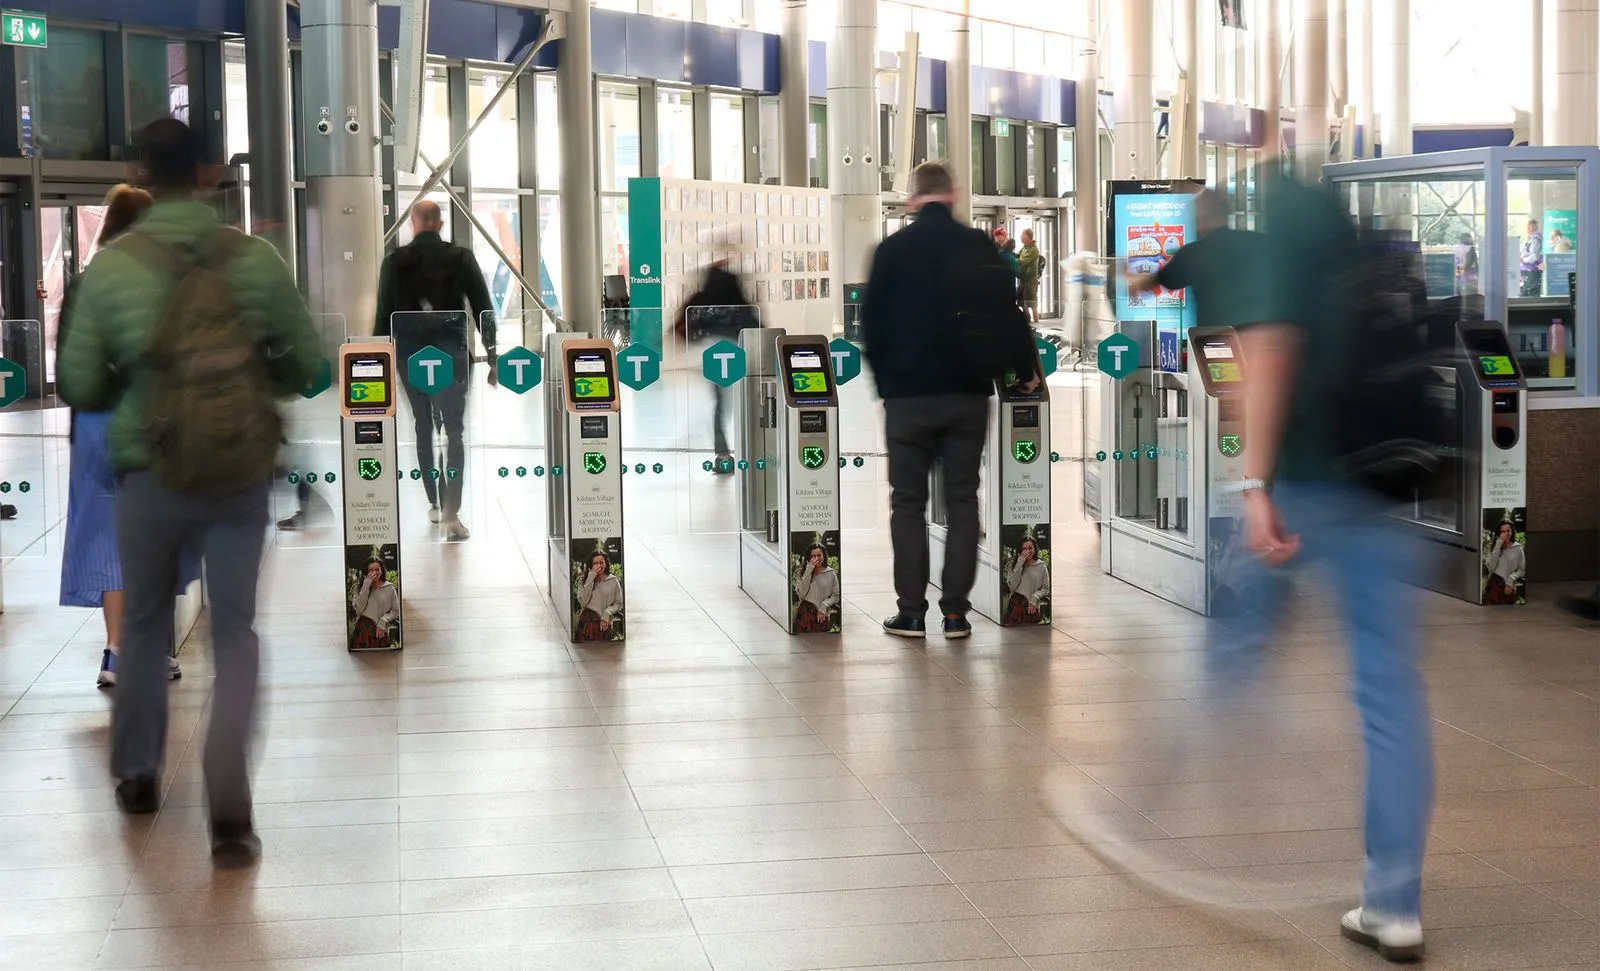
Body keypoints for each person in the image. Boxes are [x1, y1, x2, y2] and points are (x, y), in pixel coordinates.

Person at [58, 118, 322, 866]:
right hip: (238, 473)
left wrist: (139, 380)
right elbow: (312, 367)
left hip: (149, 473)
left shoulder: (111, 269)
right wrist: (249, 379)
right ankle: (230, 807)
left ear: (145, 172)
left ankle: (138, 773)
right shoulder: (254, 258)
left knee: (144, 624)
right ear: (210, 174)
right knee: (234, 633)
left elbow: (76, 382)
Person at [1212, 167, 1432, 963]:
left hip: (1305, 490)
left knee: (1233, 640)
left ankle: (1143, 805)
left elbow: (1268, 358)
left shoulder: (1285, 244)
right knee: (1391, 697)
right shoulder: (1365, 255)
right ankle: (1395, 903)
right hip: (1378, 490)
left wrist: (1253, 485)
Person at [862, 161, 1038, 639]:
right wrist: (1024, 373)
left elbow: (871, 325)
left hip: (909, 400)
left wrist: (888, 384)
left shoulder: (892, 251)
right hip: (967, 394)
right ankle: (956, 613)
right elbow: (1009, 316)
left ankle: (912, 612)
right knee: (962, 498)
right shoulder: (979, 247)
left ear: (913, 198)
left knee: (908, 503)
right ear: (953, 194)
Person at [57, 184, 198, 687]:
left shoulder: (85, 283)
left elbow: (69, 371)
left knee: (104, 537)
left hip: (95, 426)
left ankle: (116, 653)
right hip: (152, 423)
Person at [375, 200, 496, 541]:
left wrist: (375, 361)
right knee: (454, 431)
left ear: (413, 223)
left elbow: (383, 316)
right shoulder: (461, 258)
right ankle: (452, 513)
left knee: (423, 426)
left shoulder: (393, 262)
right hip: (452, 356)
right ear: (440, 222)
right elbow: (484, 309)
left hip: (410, 357)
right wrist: (493, 353)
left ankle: (434, 503)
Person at [1127, 189, 1273, 328]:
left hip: (1218, 341)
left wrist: (1126, 276)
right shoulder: (1258, 241)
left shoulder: (1196, 253)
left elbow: (1157, 281)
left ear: (1204, 215)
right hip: (1264, 333)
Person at [674, 257, 756, 472]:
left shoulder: (702, 298)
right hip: (738, 352)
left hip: (709, 354)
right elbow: (753, 322)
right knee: (744, 403)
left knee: (719, 406)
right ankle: (752, 452)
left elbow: (684, 323)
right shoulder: (736, 297)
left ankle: (722, 455)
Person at [351, 558, 400, 650]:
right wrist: (366, 585)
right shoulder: (358, 588)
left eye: (377, 570)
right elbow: (360, 609)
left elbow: (395, 611)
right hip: (363, 630)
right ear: (366, 572)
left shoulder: (390, 588)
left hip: (381, 630)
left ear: (382, 570)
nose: (375, 573)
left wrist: (384, 620)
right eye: (371, 570)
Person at [576, 551, 623, 641]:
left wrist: (607, 612)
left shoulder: (614, 581)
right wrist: (591, 577)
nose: (599, 566)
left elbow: (618, 604)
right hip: (587, 624)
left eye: (601, 563)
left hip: (604, 623)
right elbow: (584, 602)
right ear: (591, 565)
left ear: (606, 564)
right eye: (595, 563)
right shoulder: (583, 580)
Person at [793, 543, 840, 633]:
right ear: (809, 557)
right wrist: (809, 569)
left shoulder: (831, 573)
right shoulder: (801, 573)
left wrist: (824, 605)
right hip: (805, 615)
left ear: (824, 556)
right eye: (813, 556)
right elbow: (801, 594)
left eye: (819, 555)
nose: (816, 558)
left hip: (822, 614)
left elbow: (835, 596)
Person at [1004, 536, 1049, 624]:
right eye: (1024, 549)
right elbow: (1012, 586)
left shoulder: (1041, 566)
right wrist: (1020, 563)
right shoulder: (1012, 565)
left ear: (1034, 549)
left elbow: (1045, 589)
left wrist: (1035, 597)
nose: (1028, 551)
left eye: (1030, 548)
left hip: (1031, 607)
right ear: (1020, 550)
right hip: (1015, 607)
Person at [1483, 520, 1526, 605]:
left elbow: (1522, 570)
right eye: (1503, 531)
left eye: (1508, 531)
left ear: (1512, 532)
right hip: (1494, 585)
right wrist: (1498, 545)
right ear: (1499, 533)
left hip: (1508, 586)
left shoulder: (1518, 548)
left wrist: (1511, 578)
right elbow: (1491, 567)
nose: (1506, 533)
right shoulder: (1494, 546)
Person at [1017, 228, 1042, 323]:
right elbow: (1017, 256)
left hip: (1031, 281)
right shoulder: (1024, 248)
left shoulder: (1034, 250)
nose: (1021, 237)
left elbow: (1023, 261)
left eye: (1023, 235)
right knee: (1022, 303)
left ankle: (1037, 325)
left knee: (1032, 304)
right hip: (1022, 280)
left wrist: (1010, 260)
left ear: (1028, 236)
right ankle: (1028, 323)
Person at [1519, 219, 1545, 296]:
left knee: (1532, 291)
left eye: (1528, 227)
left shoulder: (1535, 239)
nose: (1527, 229)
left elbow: (1534, 256)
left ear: (1532, 227)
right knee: (1526, 290)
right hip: (1527, 269)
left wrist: (1523, 260)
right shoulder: (1531, 239)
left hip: (1532, 269)